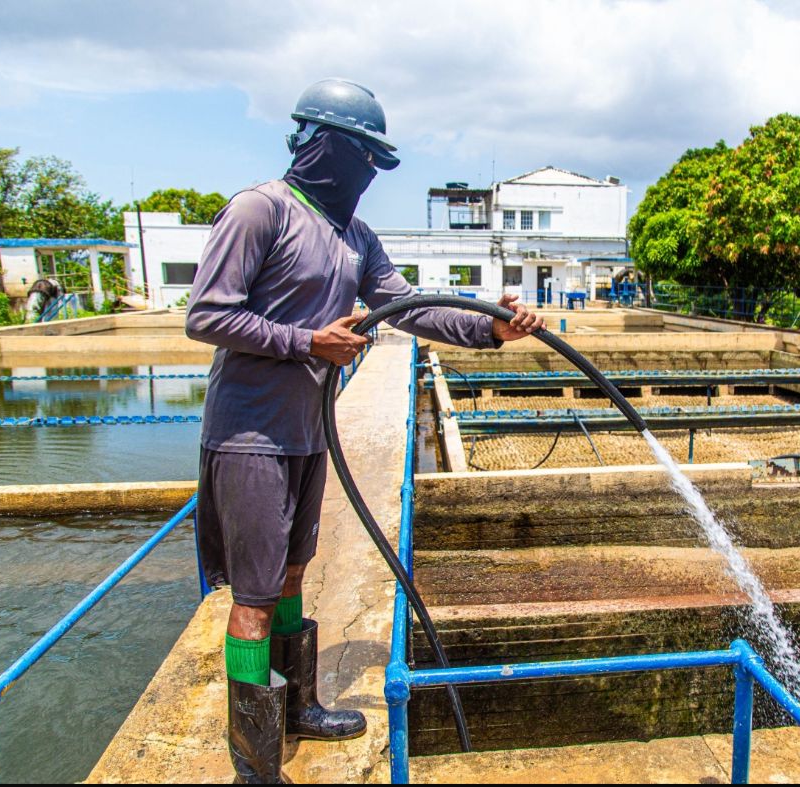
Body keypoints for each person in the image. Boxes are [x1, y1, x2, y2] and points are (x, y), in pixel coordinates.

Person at [184, 78, 544, 783]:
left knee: (291, 575)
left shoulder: (353, 236)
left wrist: (488, 328)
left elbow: (407, 307)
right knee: (253, 601)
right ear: (320, 144)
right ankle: (253, 766)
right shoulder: (260, 211)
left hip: (307, 432)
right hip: (249, 436)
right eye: (360, 157)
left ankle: (299, 709)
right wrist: (305, 342)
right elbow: (206, 314)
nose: (365, 176)